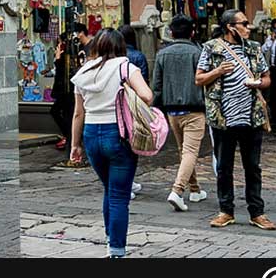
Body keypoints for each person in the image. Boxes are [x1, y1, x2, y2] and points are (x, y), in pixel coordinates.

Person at [69, 29, 154, 257]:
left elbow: (78, 113)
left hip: (90, 135)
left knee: (109, 188)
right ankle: (116, 249)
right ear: (120, 46)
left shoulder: (84, 71)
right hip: (118, 134)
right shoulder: (125, 67)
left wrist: (74, 145)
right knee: (118, 195)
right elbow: (147, 95)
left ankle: (110, 239)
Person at [195, 9, 276, 230]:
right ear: (231, 27)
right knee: (224, 167)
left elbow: (267, 78)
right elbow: (199, 78)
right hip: (223, 118)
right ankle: (226, 211)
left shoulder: (254, 48)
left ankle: (257, 212)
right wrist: (218, 71)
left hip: (251, 117)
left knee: (253, 166)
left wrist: (258, 84)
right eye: (244, 23)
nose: (248, 28)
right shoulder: (211, 48)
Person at [151, 15, 208, 212]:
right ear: (192, 32)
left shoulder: (162, 54)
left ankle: (195, 189)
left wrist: (154, 108)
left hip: (172, 110)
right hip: (194, 108)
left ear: (171, 33)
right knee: (190, 151)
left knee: (184, 151)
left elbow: (156, 86)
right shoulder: (198, 52)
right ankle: (177, 190)